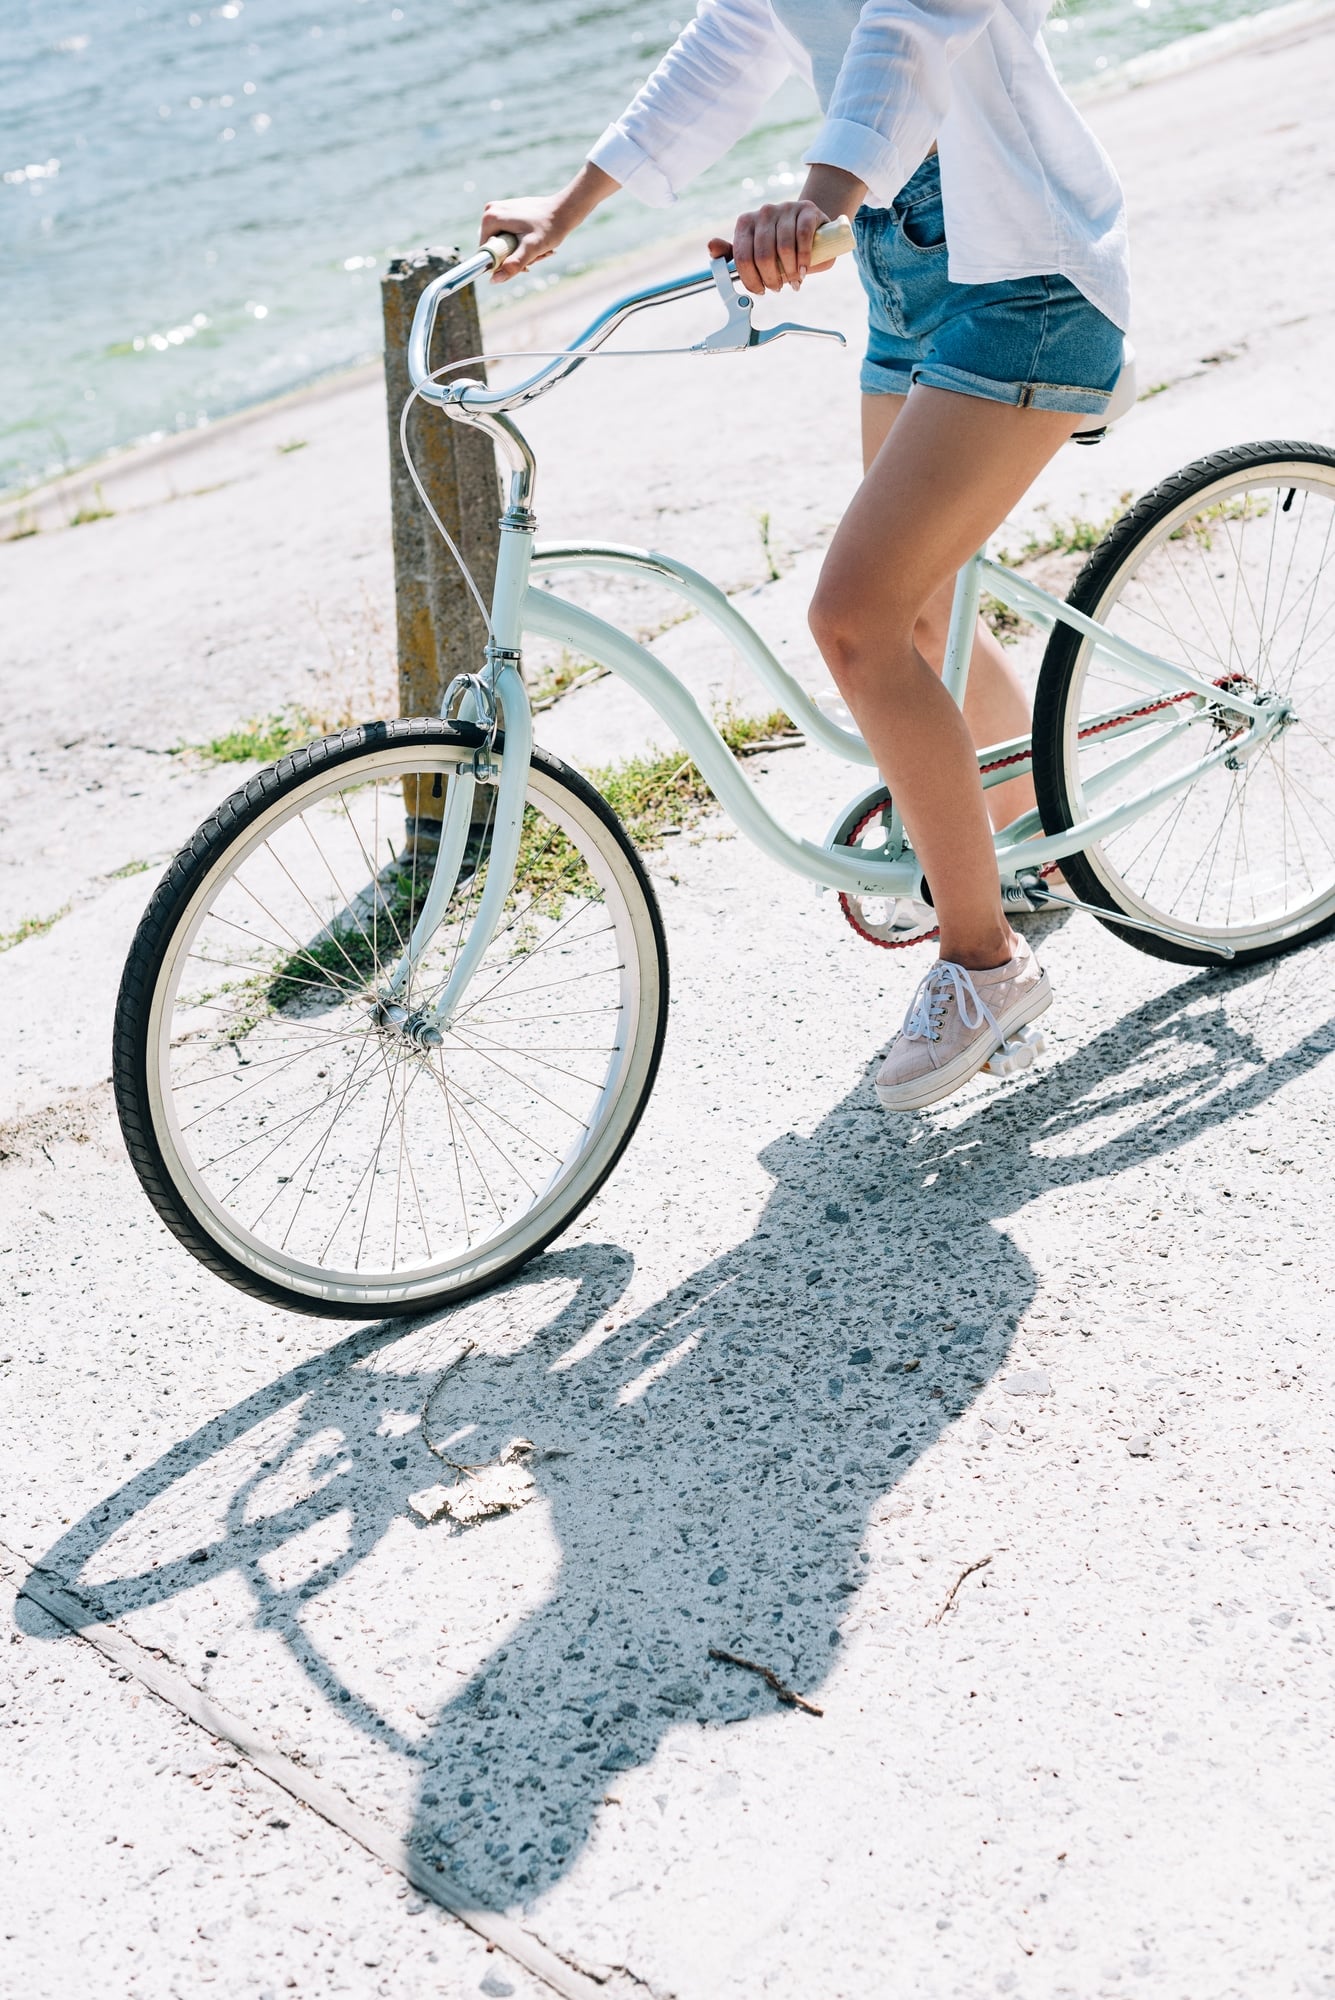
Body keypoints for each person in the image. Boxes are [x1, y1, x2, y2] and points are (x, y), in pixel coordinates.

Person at [478, 0, 1129, 1112]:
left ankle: (985, 965)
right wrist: (568, 209)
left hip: (1024, 277)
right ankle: (1033, 832)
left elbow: (910, 28)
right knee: (919, 615)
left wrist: (818, 198)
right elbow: (732, 35)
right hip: (905, 269)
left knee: (855, 621)